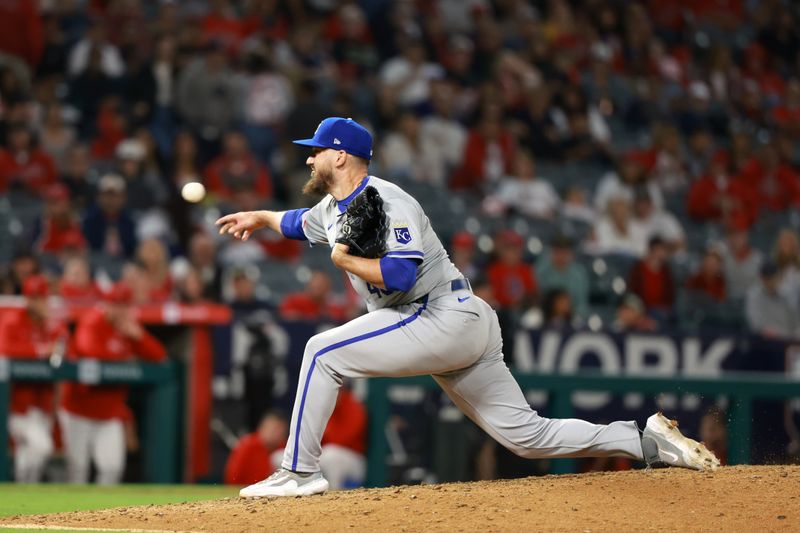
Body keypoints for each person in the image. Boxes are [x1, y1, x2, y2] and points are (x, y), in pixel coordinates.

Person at [216, 117, 718, 498]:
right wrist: (258, 217)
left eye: (317, 151)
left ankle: (300, 471)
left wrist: (344, 257)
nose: (308, 159)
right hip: (451, 324)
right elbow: (294, 221)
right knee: (527, 436)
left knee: (322, 351)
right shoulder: (332, 209)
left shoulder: (390, 202)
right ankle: (645, 441)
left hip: (442, 314)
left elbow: (400, 275)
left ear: (342, 157)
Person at [59, 282, 167, 484]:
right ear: (107, 304)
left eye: (125, 305)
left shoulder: (129, 328)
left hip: (109, 413)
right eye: (116, 305)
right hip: (79, 410)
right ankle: (72, 516)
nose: (121, 310)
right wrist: (122, 359)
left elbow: (159, 356)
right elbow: (89, 350)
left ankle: (102, 516)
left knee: (111, 469)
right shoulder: (93, 321)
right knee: (78, 471)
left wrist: (139, 337)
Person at [0, 275, 67, 482]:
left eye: (42, 298)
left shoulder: (52, 325)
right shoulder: (13, 320)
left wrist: (53, 325)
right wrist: (40, 350)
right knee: (41, 446)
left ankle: (22, 498)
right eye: (34, 298)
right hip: (17, 402)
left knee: (28, 452)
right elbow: (5, 349)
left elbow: (65, 351)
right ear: (27, 299)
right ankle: (22, 487)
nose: (39, 302)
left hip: (43, 400)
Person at [224, 410, 289, 486]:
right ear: (263, 427)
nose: (277, 434)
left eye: (281, 431)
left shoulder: (284, 448)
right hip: (245, 490)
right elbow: (232, 477)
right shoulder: (248, 445)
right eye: (274, 430)